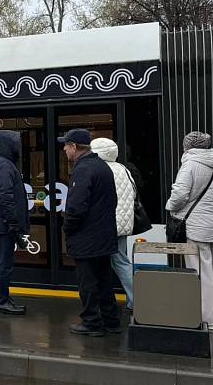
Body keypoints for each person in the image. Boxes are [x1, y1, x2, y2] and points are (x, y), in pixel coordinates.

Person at [59, 129, 119, 336]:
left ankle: (92, 322)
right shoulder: (102, 166)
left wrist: (68, 228)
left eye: (66, 145)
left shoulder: (83, 169)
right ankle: (111, 320)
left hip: (86, 237)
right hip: (103, 235)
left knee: (88, 282)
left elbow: (76, 207)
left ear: (74, 146)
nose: (64, 149)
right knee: (104, 280)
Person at [165, 131, 213, 333]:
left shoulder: (190, 164)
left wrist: (170, 207)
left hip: (197, 227)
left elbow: (180, 194)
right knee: (209, 272)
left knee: (200, 274)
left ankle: (210, 320)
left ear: (187, 147)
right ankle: (204, 313)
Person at [0, 130, 30, 315]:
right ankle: (2, 300)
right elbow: (5, 196)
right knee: (4, 264)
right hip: (4, 224)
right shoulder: (4, 165)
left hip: (2, 222)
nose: (18, 147)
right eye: (16, 143)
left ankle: (4, 298)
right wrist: (13, 222)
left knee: (4, 263)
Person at [90, 138, 135, 311]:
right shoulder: (123, 168)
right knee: (121, 261)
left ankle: (136, 300)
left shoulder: (101, 170)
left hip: (107, 223)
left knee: (111, 263)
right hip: (123, 223)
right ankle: (133, 300)